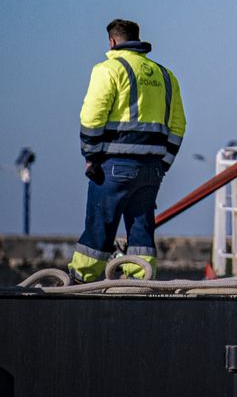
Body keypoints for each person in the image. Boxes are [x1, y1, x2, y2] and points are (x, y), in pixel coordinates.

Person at [70, 19, 185, 282]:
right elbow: (179, 125)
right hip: (151, 169)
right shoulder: (166, 75)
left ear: (112, 41)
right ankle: (140, 282)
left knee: (99, 230)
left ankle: (80, 281)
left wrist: (91, 156)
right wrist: (163, 163)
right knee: (142, 234)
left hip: (113, 167)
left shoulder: (108, 69)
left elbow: (91, 118)